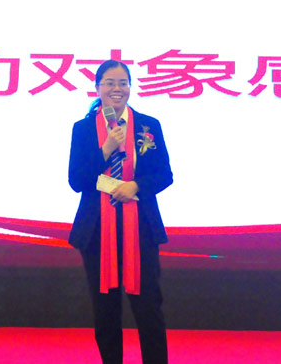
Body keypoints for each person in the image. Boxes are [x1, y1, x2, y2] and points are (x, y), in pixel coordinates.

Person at [68, 59, 173, 364]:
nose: (117, 89)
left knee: (148, 306)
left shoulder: (148, 126)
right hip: (97, 231)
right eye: (110, 83)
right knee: (105, 310)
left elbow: (164, 175)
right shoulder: (83, 129)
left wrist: (136, 185)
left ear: (130, 87)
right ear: (97, 87)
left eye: (123, 83)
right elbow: (76, 180)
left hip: (141, 228)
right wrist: (105, 150)